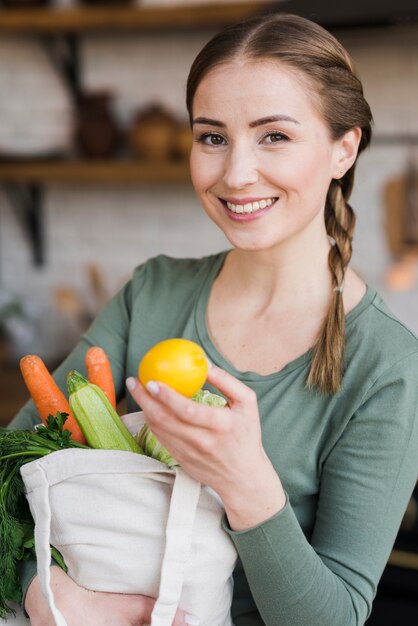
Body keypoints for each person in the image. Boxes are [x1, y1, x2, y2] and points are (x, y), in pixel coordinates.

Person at [8, 12, 418, 626]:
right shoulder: (153, 293)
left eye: (273, 136)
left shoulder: (387, 366)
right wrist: (51, 596)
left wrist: (248, 481)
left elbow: (336, 618)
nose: (235, 174)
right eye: (212, 137)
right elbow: (8, 476)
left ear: (344, 147)